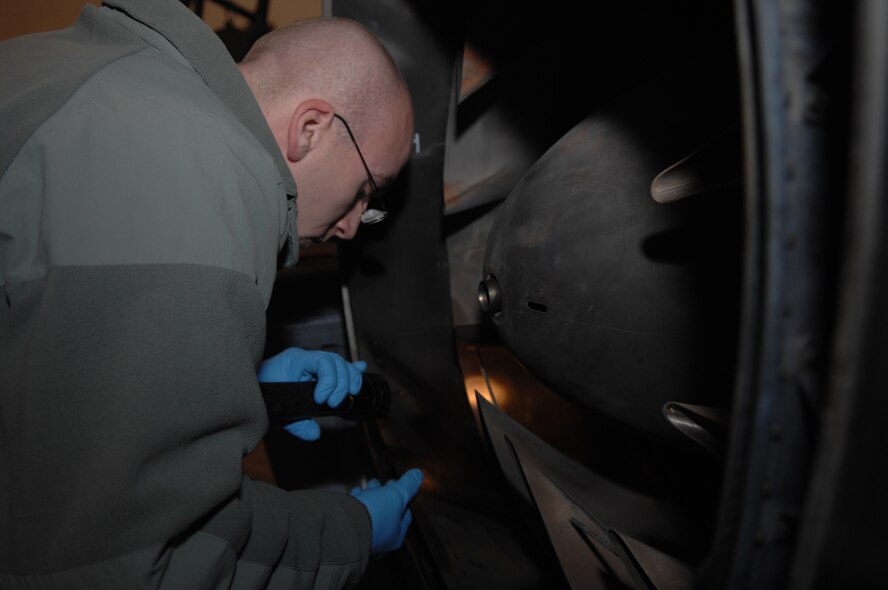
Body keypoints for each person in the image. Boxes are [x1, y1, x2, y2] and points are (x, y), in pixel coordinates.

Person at [0, 0, 421, 588]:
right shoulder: (203, 197)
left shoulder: (110, 72)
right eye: (364, 191)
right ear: (310, 128)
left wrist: (239, 385)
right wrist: (350, 530)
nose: (352, 224)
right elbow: (131, 565)